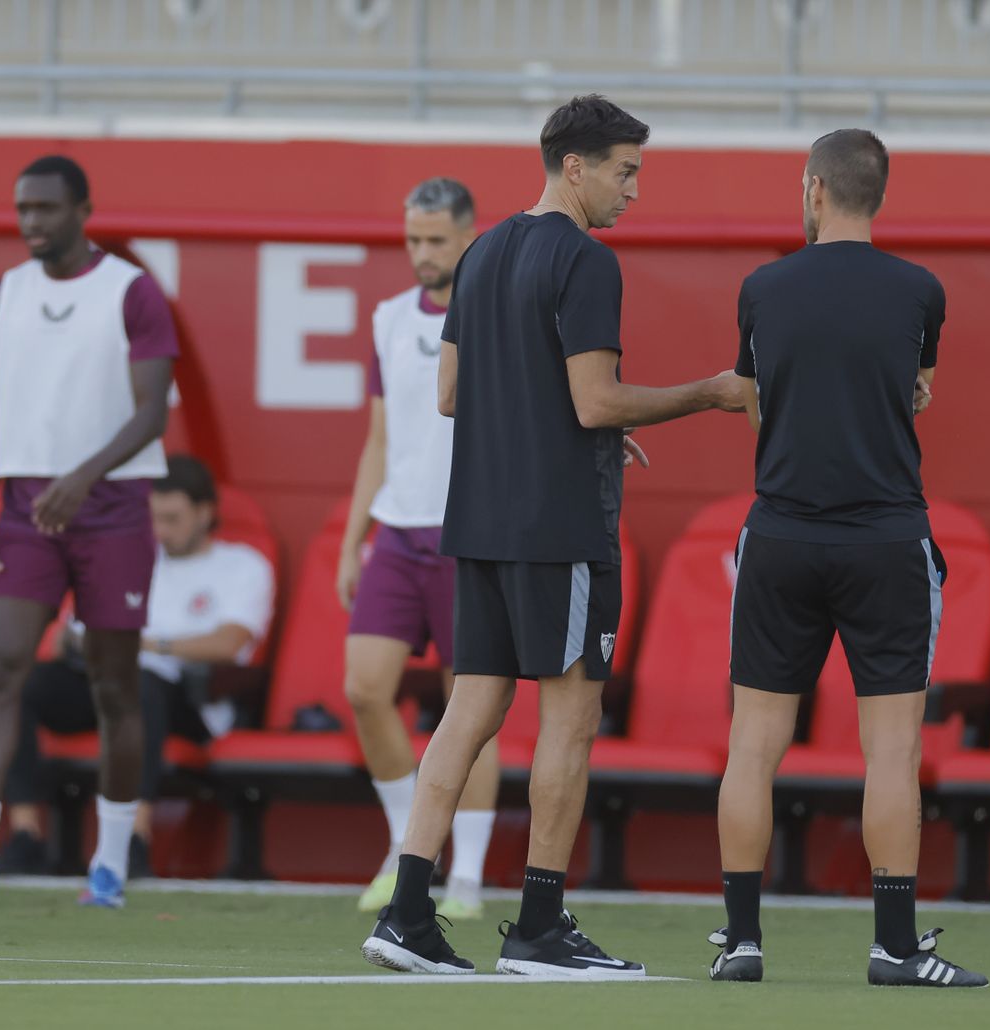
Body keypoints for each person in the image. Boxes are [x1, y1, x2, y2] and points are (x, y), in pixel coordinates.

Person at [361, 94, 746, 977]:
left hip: (481, 521)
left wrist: (587, 423)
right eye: (625, 170)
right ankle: (539, 927)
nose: (633, 191)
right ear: (575, 166)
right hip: (560, 527)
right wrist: (712, 391)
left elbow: (454, 393)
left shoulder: (482, 251)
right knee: (570, 717)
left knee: (471, 711)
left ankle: (408, 913)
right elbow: (595, 400)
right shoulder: (588, 259)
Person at [710, 129, 986, 989]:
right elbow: (917, 392)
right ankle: (896, 949)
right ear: (878, 195)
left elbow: (756, 402)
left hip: (782, 534)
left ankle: (743, 942)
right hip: (884, 541)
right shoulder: (921, 290)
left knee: (752, 745)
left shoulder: (762, 287)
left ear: (815, 189)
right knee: (892, 750)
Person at [0, 155, 177, 908]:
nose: (31, 223)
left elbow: (153, 411)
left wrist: (83, 474)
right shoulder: (6, 295)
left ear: (82, 210)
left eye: (46, 209)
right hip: (24, 511)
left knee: (116, 688)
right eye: (22, 209)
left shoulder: (132, 291)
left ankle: (111, 863)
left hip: (112, 507)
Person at [339, 178, 496, 920]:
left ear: (468, 236)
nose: (422, 254)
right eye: (412, 240)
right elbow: (379, 437)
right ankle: (408, 844)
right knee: (365, 688)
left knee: (470, 705)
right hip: (397, 534)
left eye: (436, 240)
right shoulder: (386, 319)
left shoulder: (496, 314)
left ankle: (466, 876)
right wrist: (353, 540)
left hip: (470, 535)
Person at [0, 455, 273, 875]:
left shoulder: (243, 565)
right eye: (154, 518)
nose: (160, 530)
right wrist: (77, 641)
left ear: (205, 512)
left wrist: (139, 643)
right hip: (109, 682)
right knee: (25, 684)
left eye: (172, 518)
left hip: (191, 700)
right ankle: (24, 835)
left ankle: (133, 840)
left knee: (140, 682)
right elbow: (68, 633)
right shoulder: (130, 558)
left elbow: (229, 642)